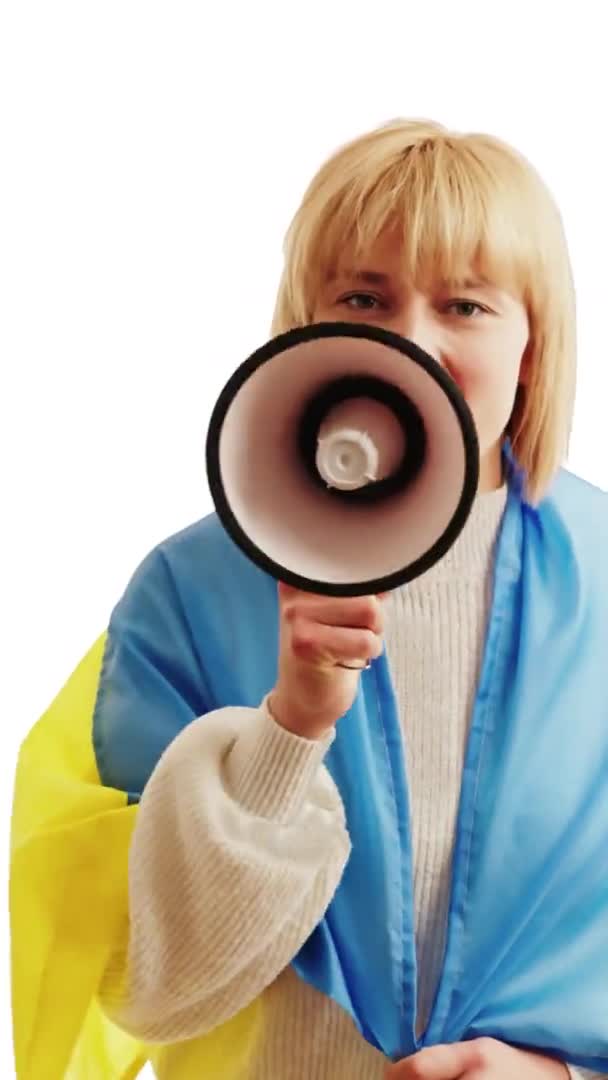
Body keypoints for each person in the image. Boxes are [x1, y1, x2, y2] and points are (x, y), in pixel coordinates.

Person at [10, 119, 608, 1080]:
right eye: (365, 296)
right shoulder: (190, 596)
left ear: (533, 347)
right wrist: (290, 728)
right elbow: (155, 989)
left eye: (466, 305)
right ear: (308, 325)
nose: (411, 342)